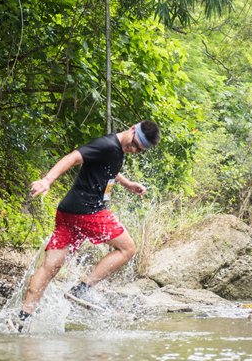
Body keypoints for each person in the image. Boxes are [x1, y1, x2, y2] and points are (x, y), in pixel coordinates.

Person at [14, 121, 161, 329]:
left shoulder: (115, 149)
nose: (134, 150)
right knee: (127, 249)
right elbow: (73, 157)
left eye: (140, 150)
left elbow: (107, 168)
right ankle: (83, 289)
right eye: (135, 144)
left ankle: (22, 319)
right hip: (87, 211)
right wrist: (47, 180)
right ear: (132, 129)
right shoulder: (107, 144)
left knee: (50, 267)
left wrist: (127, 184)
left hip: (68, 212)